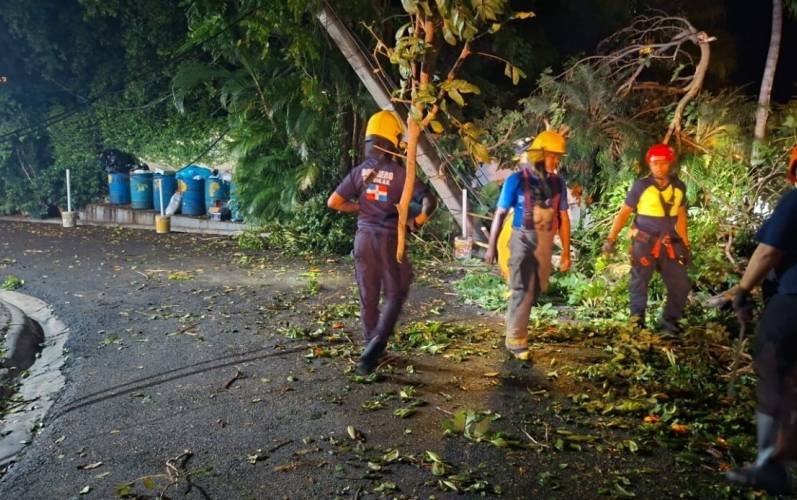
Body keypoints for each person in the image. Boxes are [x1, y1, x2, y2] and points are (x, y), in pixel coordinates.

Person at [327, 110, 437, 375]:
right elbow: (429, 201)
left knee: (368, 295)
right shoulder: (402, 174)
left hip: (363, 239)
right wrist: (417, 222)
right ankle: (377, 344)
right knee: (396, 292)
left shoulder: (359, 172)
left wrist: (360, 207)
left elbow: (334, 202)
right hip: (389, 240)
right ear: (392, 142)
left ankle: (370, 350)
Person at [726, 145, 797, 495]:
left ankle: (769, 464)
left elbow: (769, 251)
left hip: (794, 299)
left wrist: (742, 289)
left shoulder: (795, 201)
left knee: (773, 369)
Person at [484, 130, 569, 360]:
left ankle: (516, 332)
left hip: (544, 240)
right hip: (521, 238)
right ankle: (515, 339)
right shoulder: (516, 181)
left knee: (535, 288)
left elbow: (563, 218)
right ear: (539, 155)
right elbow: (500, 214)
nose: (556, 162)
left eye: (558, 157)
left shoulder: (558, 184)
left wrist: (566, 253)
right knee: (524, 288)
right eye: (552, 156)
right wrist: (491, 247)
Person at [602, 143, 691, 333]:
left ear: (670, 164)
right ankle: (637, 324)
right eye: (655, 163)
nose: (659, 167)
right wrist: (611, 239)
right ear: (649, 165)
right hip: (644, 243)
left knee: (681, 284)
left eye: (663, 163)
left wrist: (685, 244)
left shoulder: (679, 187)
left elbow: (682, 217)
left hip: (670, 244)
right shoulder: (641, 186)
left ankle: (669, 323)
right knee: (639, 283)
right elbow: (624, 213)